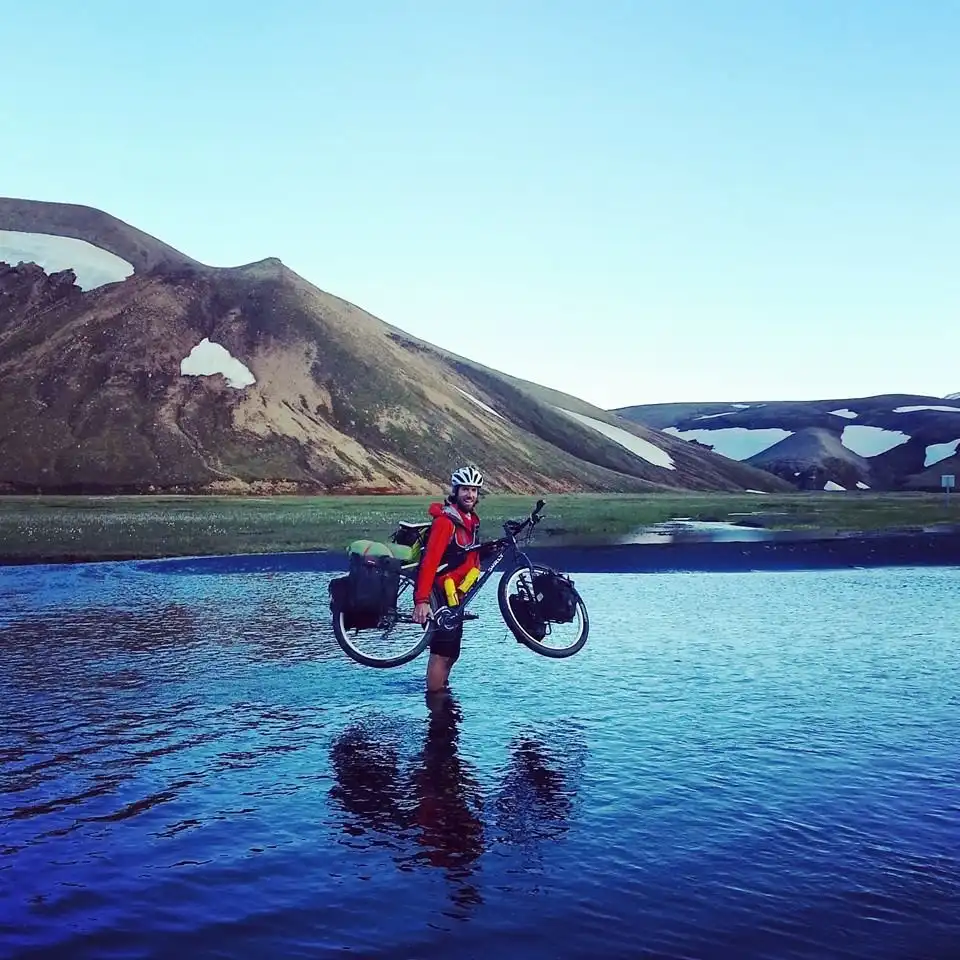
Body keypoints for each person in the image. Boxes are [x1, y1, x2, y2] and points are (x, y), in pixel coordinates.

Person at [413, 465, 484, 692]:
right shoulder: (446, 522)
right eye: (465, 489)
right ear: (456, 491)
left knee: (452, 653)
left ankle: (441, 690)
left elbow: (469, 556)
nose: (470, 495)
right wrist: (422, 601)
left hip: (457, 597)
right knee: (441, 653)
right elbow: (429, 562)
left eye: (474, 490)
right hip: (442, 595)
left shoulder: (470, 520)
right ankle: (434, 699)